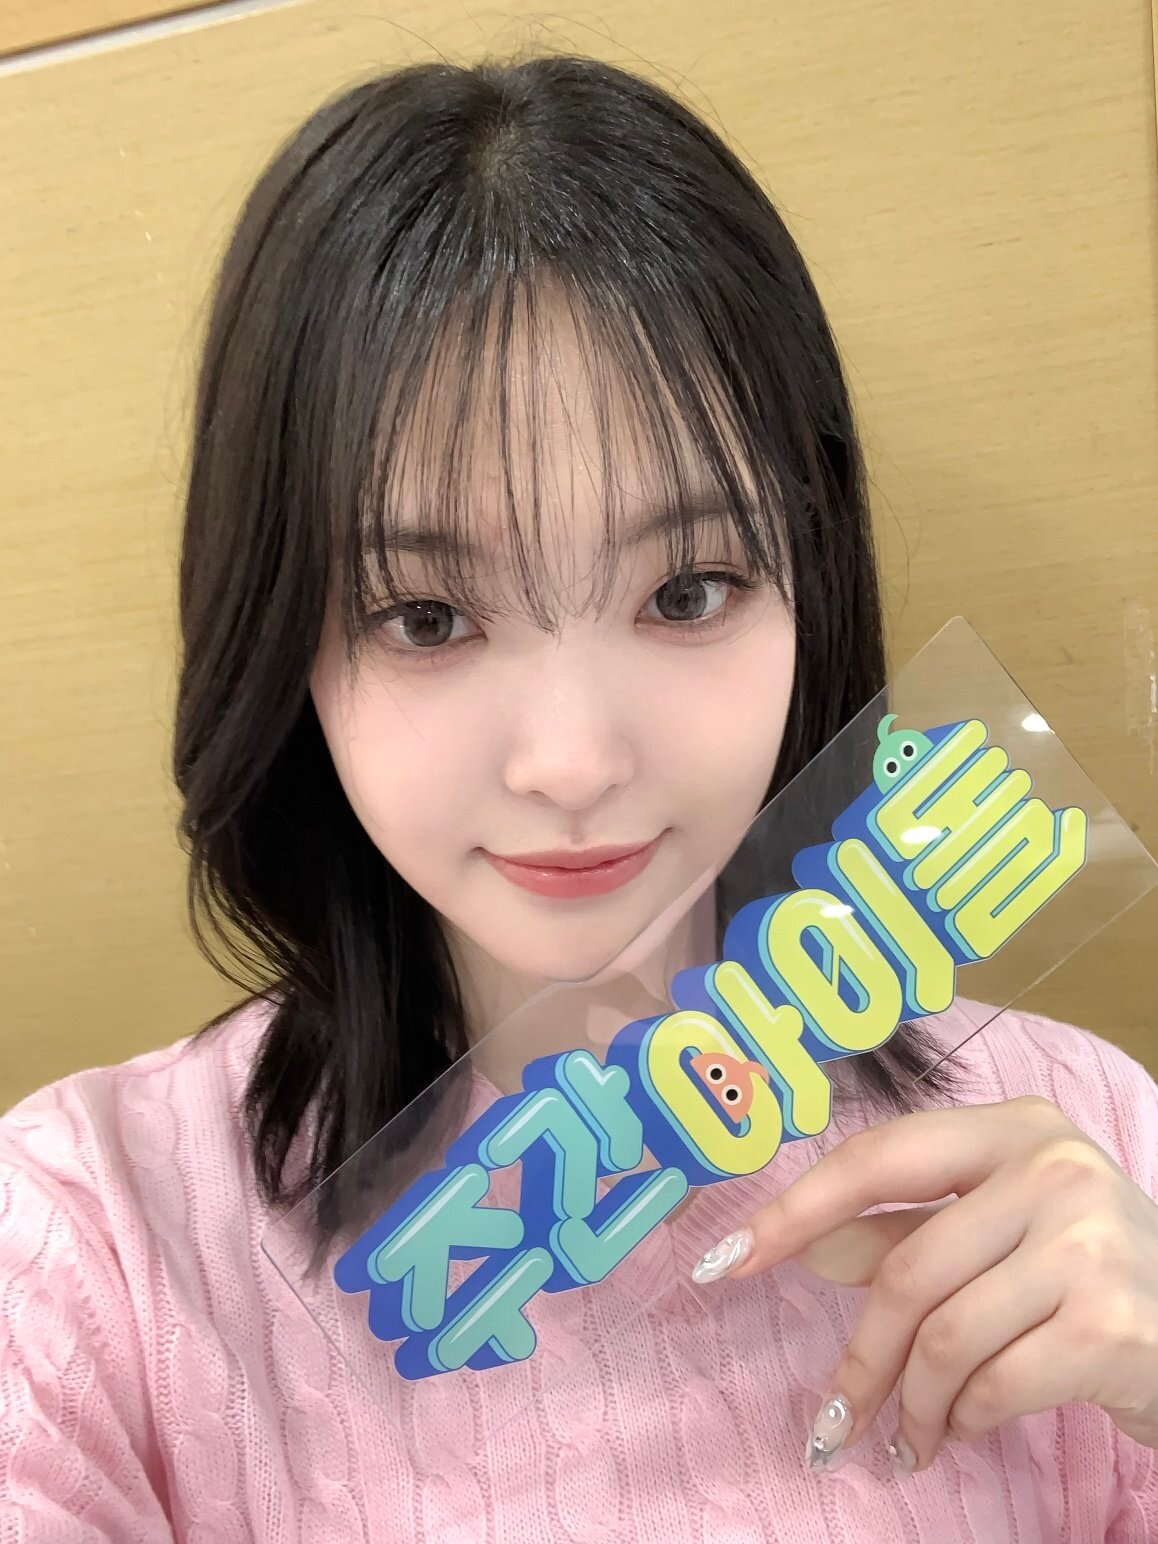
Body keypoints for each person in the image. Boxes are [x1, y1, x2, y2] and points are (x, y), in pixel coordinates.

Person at [1, 52, 1155, 1544]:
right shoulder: (91, 1242)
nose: (570, 761)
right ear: (282, 635)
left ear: (809, 577)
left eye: (688, 589)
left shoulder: (1088, 1147)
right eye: (425, 615)